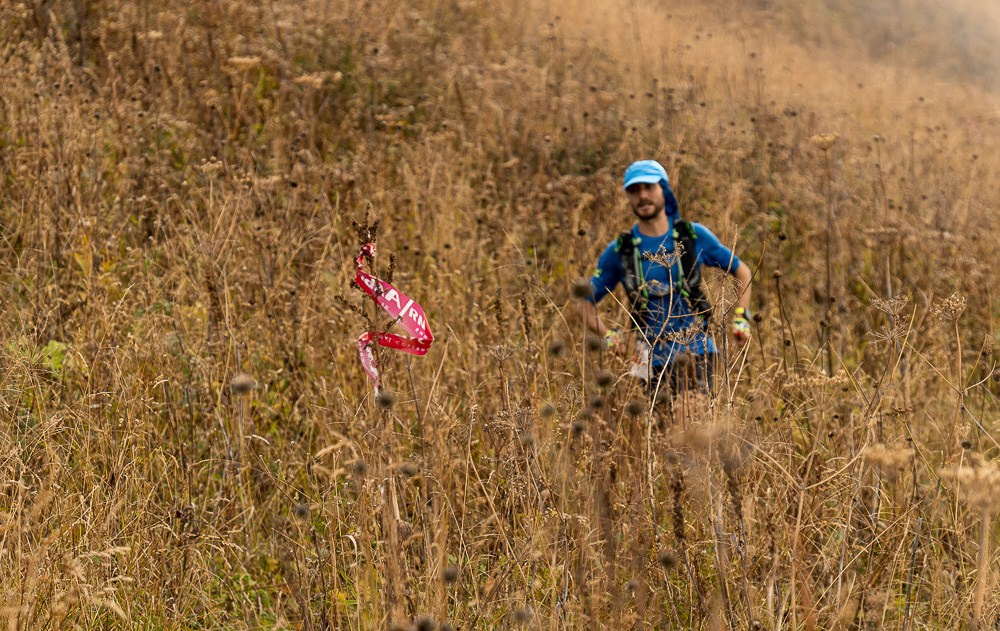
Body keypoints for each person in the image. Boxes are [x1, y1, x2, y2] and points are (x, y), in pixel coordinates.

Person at [577, 160, 753, 399]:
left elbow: (742, 271)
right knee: (659, 435)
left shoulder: (692, 235)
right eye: (634, 190)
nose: (642, 195)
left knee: (690, 427)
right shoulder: (621, 250)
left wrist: (741, 318)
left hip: (696, 351)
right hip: (647, 360)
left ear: (664, 190)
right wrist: (608, 336)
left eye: (649, 187)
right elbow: (584, 301)